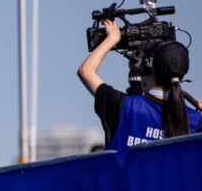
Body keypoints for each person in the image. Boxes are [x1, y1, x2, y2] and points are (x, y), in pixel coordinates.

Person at [78, 19, 201, 151]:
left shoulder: (125, 106)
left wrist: (112, 38)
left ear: (147, 69)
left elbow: (85, 71)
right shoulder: (195, 119)